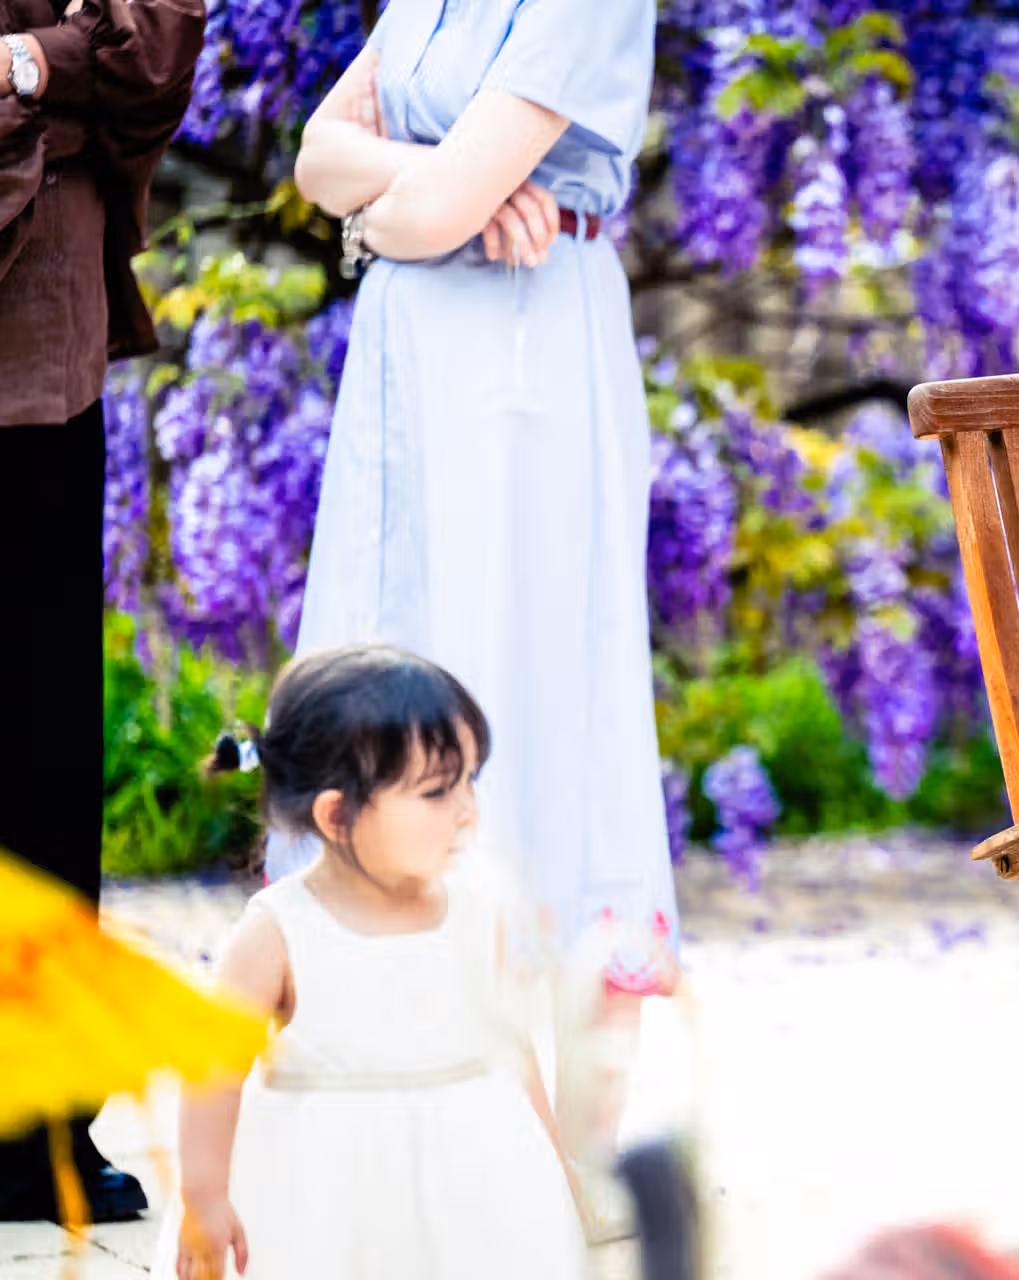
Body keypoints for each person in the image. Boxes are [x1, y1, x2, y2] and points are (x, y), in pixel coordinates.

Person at [282, 0, 677, 1216]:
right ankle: (442, 1113)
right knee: (389, 687)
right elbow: (313, 158)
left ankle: (571, 1152)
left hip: (526, 360)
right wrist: (421, 186)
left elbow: (427, 209)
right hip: (408, 360)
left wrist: (404, 198)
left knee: (534, 712)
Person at [152, 644, 589, 1280]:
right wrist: (205, 1196)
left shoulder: (475, 912)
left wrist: (552, 1172)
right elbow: (212, 1070)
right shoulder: (280, 932)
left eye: (471, 780)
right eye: (438, 791)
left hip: (471, 1182)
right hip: (324, 1197)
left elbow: (512, 1051)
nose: (467, 808)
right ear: (337, 814)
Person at [0, 0, 204, 1225]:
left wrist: (33, 60)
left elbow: (158, 42)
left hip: (34, 343)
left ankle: (34, 1127)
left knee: (38, 754)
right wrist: (53, 70)